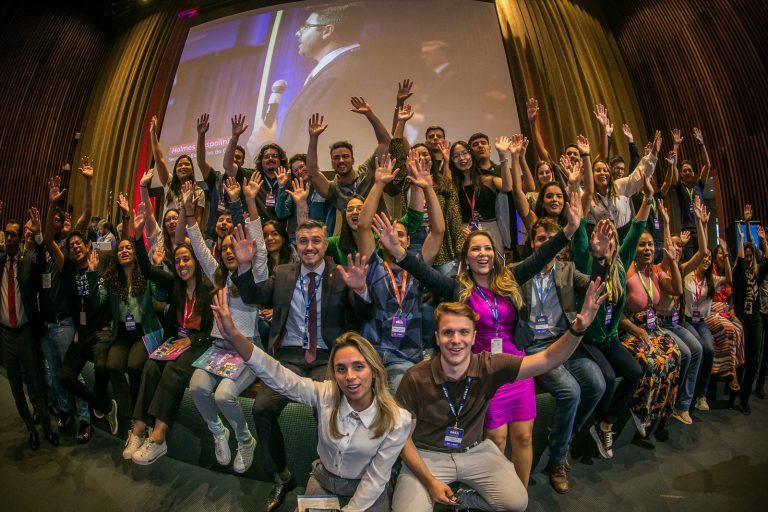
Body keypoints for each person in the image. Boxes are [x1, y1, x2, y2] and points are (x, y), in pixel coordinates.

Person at [382, 188, 582, 489]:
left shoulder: (511, 277)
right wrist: (399, 253)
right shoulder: (457, 288)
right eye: (475, 249)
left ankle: (519, 497)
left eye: (487, 248)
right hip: (483, 371)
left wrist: (568, 230)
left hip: (515, 364)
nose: (482, 254)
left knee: (524, 436)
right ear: (467, 257)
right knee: (496, 439)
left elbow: (541, 254)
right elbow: (424, 273)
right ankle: (493, 495)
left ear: (495, 254)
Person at [392, 280, 606, 512]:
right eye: (448, 333)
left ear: (474, 338)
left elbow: (549, 359)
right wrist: (431, 482)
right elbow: (403, 441)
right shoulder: (415, 377)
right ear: (436, 337)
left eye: (464, 332)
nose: (456, 340)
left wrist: (578, 329)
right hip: (427, 454)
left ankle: (464, 499)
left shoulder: (489, 365)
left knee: (517, 502)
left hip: (473, 450)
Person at [213, 288, 411, 512]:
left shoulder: (398, 420)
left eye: (359, 367)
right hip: (324, 481)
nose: (350, 377)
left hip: (368, 490)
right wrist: (236, 337)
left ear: (374, 370)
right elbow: (281, 378)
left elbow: (375, 480)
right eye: (341, 369)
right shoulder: (326, 393)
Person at [230, 219, 373, 512]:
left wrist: (360, 291)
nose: (310, 247)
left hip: (327, 357)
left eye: (316, 241)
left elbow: (362, 316)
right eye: (304, 241)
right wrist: (243, 268)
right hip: (290, 356)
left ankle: (328, 476)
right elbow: (253, 296)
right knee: (261, 409)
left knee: (328, 410)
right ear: (296, 244)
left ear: (325, 244)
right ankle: (281, 476)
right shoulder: (283, 273)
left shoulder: (339, 273)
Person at [516, 217, 607, 494]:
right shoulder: (520, 271)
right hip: (534, 346)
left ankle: (563, 438)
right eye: (541, 238)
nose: (545, 243)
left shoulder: (567, 270)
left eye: (550, 238)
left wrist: (599, 257)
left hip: (565, 340)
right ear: (532, 242)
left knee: (597, 383)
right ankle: (557, 460)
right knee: (570, 392)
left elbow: (597, 285)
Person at [183, 178, 268, 474]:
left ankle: (245, 440)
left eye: (236, 247)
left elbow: (259, 249)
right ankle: (219, 431)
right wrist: (190, 214)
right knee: (196, 387)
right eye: (226, 248)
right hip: (219, 349)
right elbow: (197, 244)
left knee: (224, 395)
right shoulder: (218, 274)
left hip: (246, 349)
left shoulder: (254, 276)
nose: (230, 251)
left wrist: (250, 203)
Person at [123, 205, 215, 465]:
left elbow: (212, 332)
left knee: (174, 371)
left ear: (196, 262)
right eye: (178, 261)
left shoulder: (209, 290)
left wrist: (192, 340)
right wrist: (137, 238)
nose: (182, 264)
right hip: (175, 342)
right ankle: (138, 429)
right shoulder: (175, 285)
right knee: (152, 366)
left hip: (199, 344)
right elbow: (149, 270)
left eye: (187, 259)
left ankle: (159, 437)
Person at [355, 153, 445, 393]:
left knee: (396, 407)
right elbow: (363, 225)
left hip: (404, 355)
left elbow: (438, 231)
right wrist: (379, 184)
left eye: (401, 234)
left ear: (407, 240)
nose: (395, 237)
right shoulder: (373, 262)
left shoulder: (416, 264)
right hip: (370, 352)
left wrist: (428, 189)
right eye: (389, 233)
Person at [44, 171, 119, 438]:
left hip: (101, 331)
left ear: (87, 246)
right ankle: (103, 405)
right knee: (64, 377)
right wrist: (52, 203)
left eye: (79, 243)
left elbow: (86, 214)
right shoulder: (66, 269)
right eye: (71, 244)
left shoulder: (100, 263)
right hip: (80, 333)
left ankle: (99, 404)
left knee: (101, 367)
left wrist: (88, 182)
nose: (75, 246)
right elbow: (48, 240)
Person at [246, 2, 370, 157]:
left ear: (327, 31)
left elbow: (311, 151)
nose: (298, 33)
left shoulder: (335, 77)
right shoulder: (342, 69)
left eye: (305, 26)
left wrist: (264, 149)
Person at [87, 236, 161, 435]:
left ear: (135, 253)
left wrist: (157, 267)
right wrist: (93, 273)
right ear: (116, 255)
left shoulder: (145, 274)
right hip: (121, 334)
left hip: (144, 332)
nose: (124, 251)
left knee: (135, 366)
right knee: (112, 366)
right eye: (120, 249)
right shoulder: (112, 279)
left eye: (128, 248)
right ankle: (130, 417)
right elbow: (97, 302)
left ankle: (142, 416)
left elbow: (161, 295)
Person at [1, 209, 59, 450]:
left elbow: (43, 263)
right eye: (8, 235)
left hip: (25, 332)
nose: (11, 238)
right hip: (5, 334)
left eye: (15, 234)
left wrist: (37, 236)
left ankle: (47, 427)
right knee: (15, 385)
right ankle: (30, 429)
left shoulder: (26, 263)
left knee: (35, 382)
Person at [729, 208, 768, 414]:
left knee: (754, 360)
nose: (749, 257)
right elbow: (740, 254)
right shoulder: (739, 273)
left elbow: (766, 262)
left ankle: (744, 398)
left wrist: (763, 241)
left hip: (755, 320)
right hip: (742, 320)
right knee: (741, 361)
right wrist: (745, 227)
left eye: (751, 255)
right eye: (747, 255)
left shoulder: (758, 272)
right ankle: (734, 394)